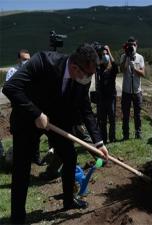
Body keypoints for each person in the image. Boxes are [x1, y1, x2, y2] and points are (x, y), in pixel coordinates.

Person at [2, 43, 109, 224]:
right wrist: (36, 113)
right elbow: (10, 87)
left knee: (69, 156)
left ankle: (68, 200)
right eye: (87, 75)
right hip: (27, 119)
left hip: (58, 122)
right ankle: (18, 218)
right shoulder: (43, 61)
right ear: (75, 67)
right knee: (22, 168)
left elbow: (86, 110)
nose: (89, 79)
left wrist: (98, 142)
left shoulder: (83, 76)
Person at [120, 36, 145, 140]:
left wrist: (134, 68)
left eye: (134, 45)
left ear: (137, 46)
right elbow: (121, 70)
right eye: (130, 45)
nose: (132, 47)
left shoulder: (140, 57)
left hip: (137, 91)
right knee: (125, 114)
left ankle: (138, 133)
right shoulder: (123, 56)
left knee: (137, 114)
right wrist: (126, 59)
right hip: (126, 91)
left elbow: (143, 73)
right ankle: (126, 134)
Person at [95, 45, 118, 143]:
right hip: (102, 98)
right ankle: (104, 138)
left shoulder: (112, 69)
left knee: (112, 119)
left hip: (111, 97)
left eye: (106, 54)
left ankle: (112, 138)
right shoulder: (99, 69)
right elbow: (94, 63)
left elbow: (115, 64)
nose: (105, 55)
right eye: (103, 54)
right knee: (102, 120)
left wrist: (109, 51)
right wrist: (98, 55)